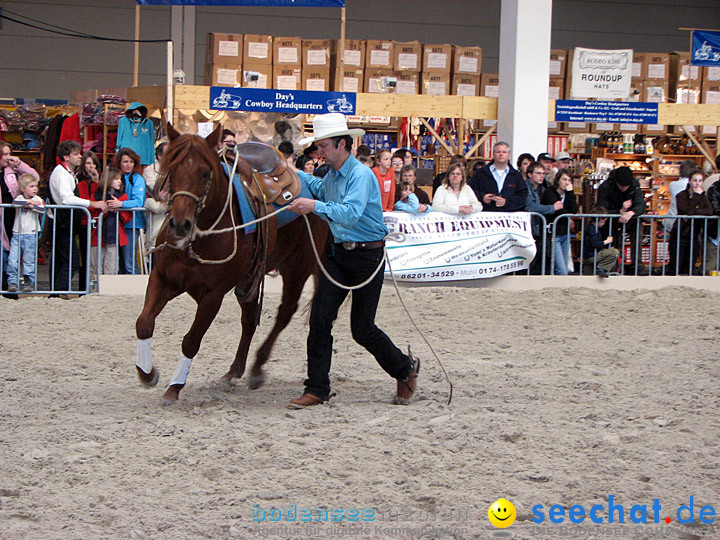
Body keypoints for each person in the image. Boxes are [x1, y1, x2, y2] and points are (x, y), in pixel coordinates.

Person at [286, 113, 419, 408]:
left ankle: (404, 369)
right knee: (320, 319)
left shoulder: (360, 175)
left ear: (342, 144)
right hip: (339, 253)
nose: (318, 152)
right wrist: (292, 172)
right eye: (317, 147)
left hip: (366, 256)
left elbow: (350, 212)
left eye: (323, 146)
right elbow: (321, 190)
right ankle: (317, 388)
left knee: (362, 328)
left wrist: (312, 205)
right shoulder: (333, 174)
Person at [49, 140, 107, 293]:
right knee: (71, 260)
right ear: (66, 157)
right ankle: (58, 292)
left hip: (67, 220)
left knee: (63, 259)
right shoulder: (61, 173)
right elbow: (66, 198)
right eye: (76, 154)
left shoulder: (68, 173)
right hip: (63, 220)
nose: (79, 157)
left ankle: (56, 291)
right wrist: (92, 204)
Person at [0, 141, 39, 288]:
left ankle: (11, 286)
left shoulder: (11, 170)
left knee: (11, 253)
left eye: (10, 153)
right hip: (2, 216)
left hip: (12, 217)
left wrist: (19, 164)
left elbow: (34, 177)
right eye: (5, 154)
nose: (8, 157)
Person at [596, 166, 646, 275]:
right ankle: (611, 267)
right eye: (622, 186)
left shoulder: (634, 185)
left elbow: (641, 205)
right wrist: (620, 211)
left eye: (626, 186)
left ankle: (637, 264)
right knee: (612, 243)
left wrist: (631, 213)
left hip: (629, 219)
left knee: (638, 227)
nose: (624, 189)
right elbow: (601, 210)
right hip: (611, 222)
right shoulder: (605, 187)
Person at [108, 148, 146, 275]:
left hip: (132, 223)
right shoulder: (115, 176)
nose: (128, 165)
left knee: (129, 262)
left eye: (131, 161)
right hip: (116, 223)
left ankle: (136, 290)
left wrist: (121, 204)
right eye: (125, 161)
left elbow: (138, 202)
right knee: (117, 261)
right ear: (119, 163)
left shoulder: (137, 179)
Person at [6, 174, 44, 292]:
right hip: (17, 233)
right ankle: (12, 281)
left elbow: (42, 208)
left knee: (29, 259)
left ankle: (29, 281)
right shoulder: (20, 198)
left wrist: (33, 206)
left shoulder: (37, 199)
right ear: (23, 188)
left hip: (31, 233)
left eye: (35, 186)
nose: (35, 189)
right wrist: (29, 203)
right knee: (13, 259)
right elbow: (16, 203)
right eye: (31, 186)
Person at [91, 167, 131, 276]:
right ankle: (94, 289)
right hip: (98, 236)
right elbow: (91, 213)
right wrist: (104, 209)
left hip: (114, 236)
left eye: (120, 179)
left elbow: (127, 218)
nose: (120, 181)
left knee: (111, 266)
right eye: (116, 179)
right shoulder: (97, 195)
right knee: (95, 266)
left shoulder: (122, 196)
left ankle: (108, 290)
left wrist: (119, 208)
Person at [524, 161, 561, 274]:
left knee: (542, 257)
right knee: (530, 259)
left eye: (543, 173)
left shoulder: (543, 189)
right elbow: (530, 207)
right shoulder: (525, 188)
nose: (541, 176)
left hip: (540, 228)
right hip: (530, 228)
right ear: (530, 174)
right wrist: (551, 208)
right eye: (538, 173)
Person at [663, 160, 700, 275]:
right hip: (688, 224)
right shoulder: (694, 187)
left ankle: (674, 270)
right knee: (688, 251)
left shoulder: (673, 185)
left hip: (673, 221)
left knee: (675, 250)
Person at [468, 141, 527, 212]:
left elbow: (522, 195)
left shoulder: (516, 175)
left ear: (509, 155)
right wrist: (482, 198)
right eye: (498, 152)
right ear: (493, 154)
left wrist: (506, 202)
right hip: (485, 216)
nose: (501, 154)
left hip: (509, 217)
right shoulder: (481, 173)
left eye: (504, 152)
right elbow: (470, 190)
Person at [541, 169, 578, 275]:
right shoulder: (550, 192)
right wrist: (566, 211)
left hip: (565, 234)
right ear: (558, 180)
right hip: (554, 235)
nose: (566, 183)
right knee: (561, 269)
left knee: (565, 268)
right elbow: (559, 212)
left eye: (569, 180)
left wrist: (570, 192)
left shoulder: (568, 194)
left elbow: (574, 209)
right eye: (564, 179)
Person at [676, 170, 712, 275]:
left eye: (700, 181)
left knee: (691, 264)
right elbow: (688, 211)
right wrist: (696, 196)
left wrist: (697, 211)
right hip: (681, 233)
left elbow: (709, 211)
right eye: (695, 180)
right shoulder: (681, 195)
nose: (697, 183)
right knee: (678, 264)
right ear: (689, 181)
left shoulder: (703, 195)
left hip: (695, 233)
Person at [76, 151, 101, 291]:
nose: (91, 166)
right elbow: (88, 201)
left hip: (97, 223)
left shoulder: (99, 181)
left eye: (93, 163)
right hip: (85, 223)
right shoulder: (81, 182)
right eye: (88, 163)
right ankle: (82, 288)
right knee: (84, 258)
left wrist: (97, 182)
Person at [143, 142, 168, 250]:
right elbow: (155, 189)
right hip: (156, 214)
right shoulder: (149, 170)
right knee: (155, 242)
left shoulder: (176, 169)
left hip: (172, 214)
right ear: (159, 155)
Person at [582, 206, 620, 278]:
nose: (604, 223)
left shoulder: (591, 228)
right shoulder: (592, 229)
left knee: (588, 275)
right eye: (604, 221)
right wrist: (606, 241)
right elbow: (595, 244)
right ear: (600, 219)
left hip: (589, 256)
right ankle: (602, 268)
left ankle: (598, 269)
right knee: (614, 252)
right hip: (591, 256)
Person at [704, 175, 720, 274]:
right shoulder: (714, 188)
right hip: (715, 232)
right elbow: (714, 208)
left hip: (714, 231)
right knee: (711, 264)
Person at [371, 148, 395, 212]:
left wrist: (390, 208)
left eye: (390, 159)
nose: (389, 161)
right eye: (386, 159)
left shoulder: (391, 171)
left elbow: (392, 190)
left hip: (386, 207)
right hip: (375, 207)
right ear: (378, 161)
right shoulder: (374, 171)